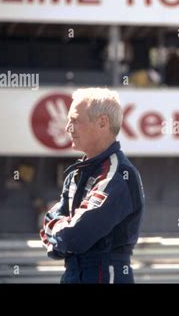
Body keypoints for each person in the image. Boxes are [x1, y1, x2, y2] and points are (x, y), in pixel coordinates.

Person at [40, 88, 145, 284]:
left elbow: (76, 236)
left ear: (102, 123)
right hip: (73, 275)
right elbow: (48, 224)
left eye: (75, 120)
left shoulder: (119, 174)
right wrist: (61, 234)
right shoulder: (76, 173)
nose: (68, 128)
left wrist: (59, 234)